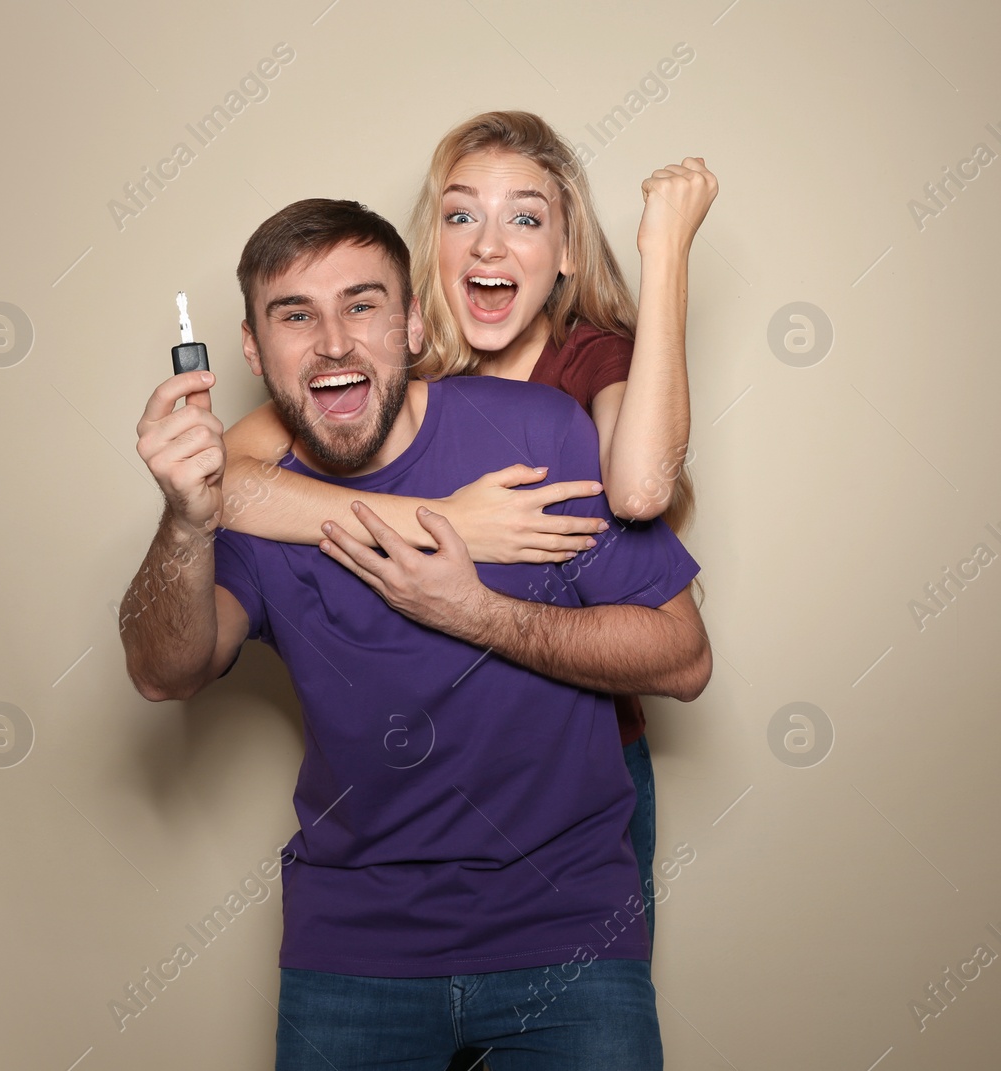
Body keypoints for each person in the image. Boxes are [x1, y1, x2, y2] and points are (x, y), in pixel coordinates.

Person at [120, 197, 710, 1069]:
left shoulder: (540, 431)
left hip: (567, 933)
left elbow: (684, 658)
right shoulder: (243, 501)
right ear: (250, 347)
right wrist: (181, 521)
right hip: (354, 952)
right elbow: (165, 671)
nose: (332, 341)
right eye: (295, 315)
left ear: (410, 325)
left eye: (361, 305)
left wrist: (473, 610)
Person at [217, 112, 718, 941]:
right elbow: (222, 486)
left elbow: (639, 489)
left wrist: (666, 251)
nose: (488, 247)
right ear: (430, 252)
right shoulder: (388, 371)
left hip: (575, 782)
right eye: (461, 216)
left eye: (524, 217)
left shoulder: (589, 362)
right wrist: (443, 520)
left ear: (566, 254)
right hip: (406, 792)